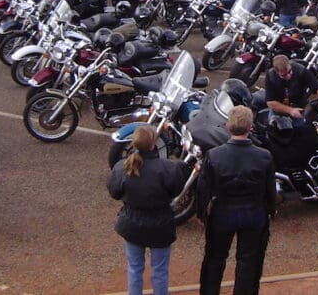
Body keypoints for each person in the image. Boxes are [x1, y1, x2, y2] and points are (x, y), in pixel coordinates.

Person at [197, 105, 276, 295]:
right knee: (249, 261)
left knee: (214, 259)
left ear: (227, 126)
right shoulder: (264, 156)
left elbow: (203, 188)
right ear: (250, 128)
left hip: (223, 212)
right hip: (254, 213)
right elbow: (270, 188)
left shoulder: (214, 155)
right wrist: (271, 210)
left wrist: (202, 214)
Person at [107, 124, 189, 295]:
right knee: (160, 271)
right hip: (160, 225)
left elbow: (114, 192)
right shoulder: (168, 168)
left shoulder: (123, 167)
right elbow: (177, 190)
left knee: (134, 268)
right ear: (153, 143)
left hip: (132, 224)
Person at [265, 54, 318, 123]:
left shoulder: (301, 70)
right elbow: (270, 102)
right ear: (277, 72)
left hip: (300, 108)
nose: (288, 76)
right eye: (284, 75)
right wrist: (290, 110)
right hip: (280, 109)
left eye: (289, 72)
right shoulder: (271, 76)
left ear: (290, 65)